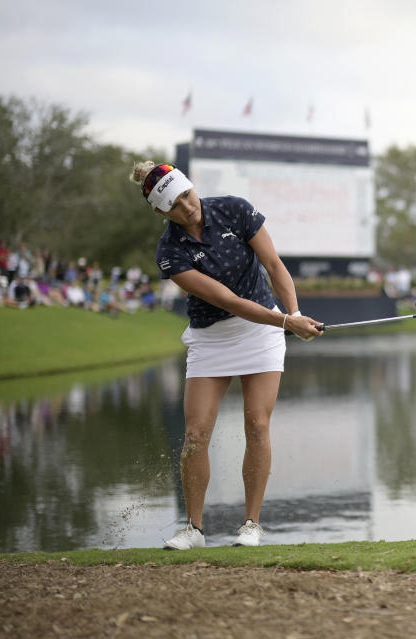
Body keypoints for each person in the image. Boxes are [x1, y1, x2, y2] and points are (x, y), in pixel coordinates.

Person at [130, 161, 323, 551]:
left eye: (187, 195)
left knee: (257, 424)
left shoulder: (235, 209)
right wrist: (286, 321)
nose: (188, 206)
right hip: (212, 338)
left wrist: (295, 314)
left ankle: (251, 524)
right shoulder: (171, 251)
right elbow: (229, 302)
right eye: (175, 205)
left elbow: (273, 265)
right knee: (196, 434)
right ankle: (194, 530)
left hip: (262, 332)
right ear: (160, 212)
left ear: (190, 185)